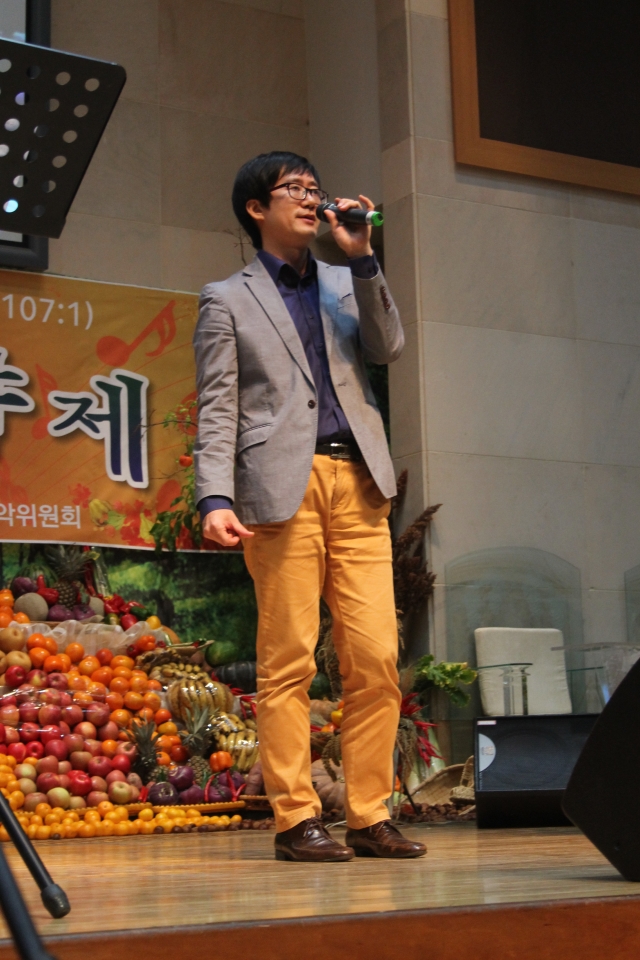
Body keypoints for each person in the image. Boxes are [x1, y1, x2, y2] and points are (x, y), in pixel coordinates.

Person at [193, 151, 426, 862]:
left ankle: (368, 814)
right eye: (291, 188)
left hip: (358, 482)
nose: (308, 198)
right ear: (256, 208)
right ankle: (296, 818)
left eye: (313, 189)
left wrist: (363, 257)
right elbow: (218, 404)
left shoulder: (344, 279)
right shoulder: (226, 298)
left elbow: (389, 346)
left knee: (375, 657)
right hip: (278, 489)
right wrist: (214, 495)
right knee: (288, 658)